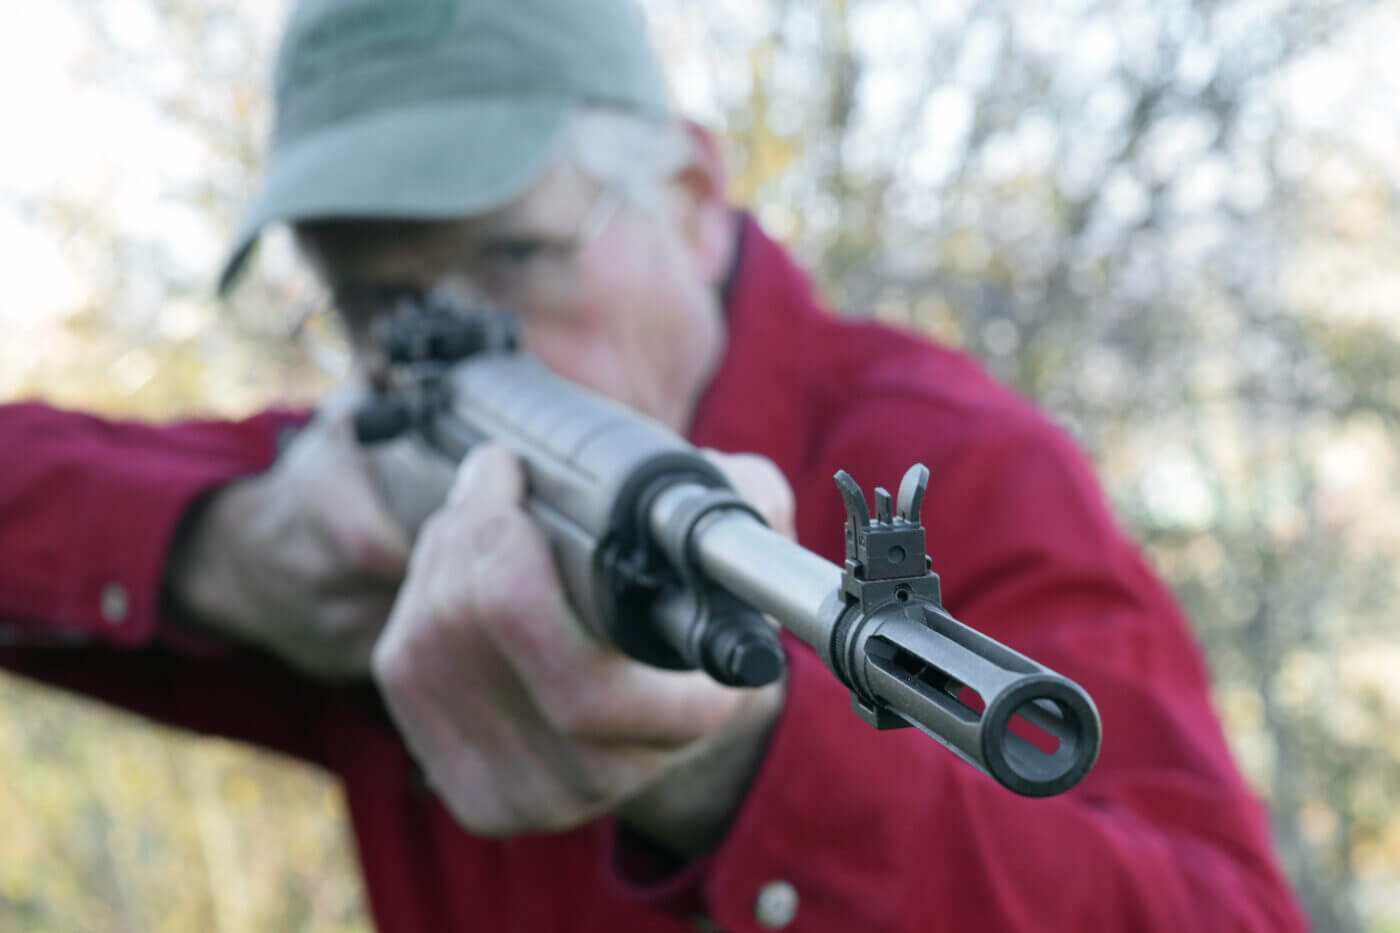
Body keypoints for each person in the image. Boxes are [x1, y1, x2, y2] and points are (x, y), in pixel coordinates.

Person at [0, 0, 1308, 930]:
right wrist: (228, 547)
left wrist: (748, 774)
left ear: (691, 192)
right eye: (378, 304)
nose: (452, 343)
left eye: (510, 257)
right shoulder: (365, 477)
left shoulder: (953, 463)